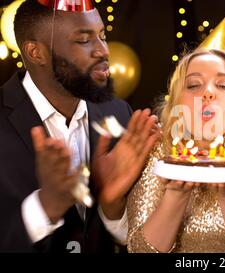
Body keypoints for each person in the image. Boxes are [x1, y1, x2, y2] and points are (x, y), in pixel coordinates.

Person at [0, 0, 160, 252]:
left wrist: (112, 206)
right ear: (35, 52)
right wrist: (44, 207)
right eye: (84, 41)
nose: (103, 51)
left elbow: (133, 238)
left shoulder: (119, 115)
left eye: (102, 36)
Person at [126, 48, 225, 253]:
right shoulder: (159, 146)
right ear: (178, 99)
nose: (208, 93)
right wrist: (176, 195)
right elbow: (139, 250)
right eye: (194, 84)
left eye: (222, 85)